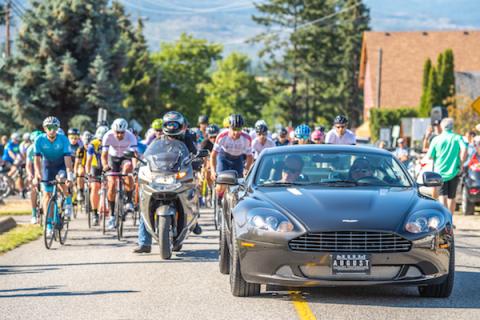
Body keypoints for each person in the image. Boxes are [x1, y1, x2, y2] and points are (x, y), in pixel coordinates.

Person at [133, 111, 197, 253]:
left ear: (181, 125)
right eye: (169, 124)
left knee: (191, 192)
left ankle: (194, 218)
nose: (172, 127)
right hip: (161, 175)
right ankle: (144, 242)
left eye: (175, 124)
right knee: (145, 200)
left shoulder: (188, 138)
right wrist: (140, 165)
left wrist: (197, 161)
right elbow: (149, 156)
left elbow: (195, 154)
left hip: (179, 175)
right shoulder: (158, 141)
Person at [34, 117, 74, 236]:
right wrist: (37, 174)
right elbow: (36, 160)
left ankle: (68, 202)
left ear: (57, 128)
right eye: (49, 128)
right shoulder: (39, 140)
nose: (52, 130)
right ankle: (49, 225)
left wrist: (70, 177)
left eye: (54, 127)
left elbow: (68, 161)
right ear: (45, 129)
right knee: (46, 195)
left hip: (61, 164)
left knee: (62, 180)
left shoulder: (63, 139)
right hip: (47, 165)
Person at [101, 118, 138, 230]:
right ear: (113, 130)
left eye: (122, 132)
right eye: (117, 132)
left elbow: (135, 155)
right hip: (113, 158)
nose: (120, 135)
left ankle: (129, 201)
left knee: (128, 169)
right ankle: (112, 215)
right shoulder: (107, 136)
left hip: (126, 156)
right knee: (111, 185)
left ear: (125, 131)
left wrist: (135, 169)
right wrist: (105, 166)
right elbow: (104, 155)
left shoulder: (130, 136)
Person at [427, 118, 467, 214]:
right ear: (452, 127)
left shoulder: (436, 139)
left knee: (442, 196)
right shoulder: (457, 138)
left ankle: (445, 221)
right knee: (452, 196)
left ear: (441, 127)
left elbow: (430, 156)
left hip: (440, 171)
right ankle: (451, 220)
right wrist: (461, 163)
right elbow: (464, 149)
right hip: (454, 170)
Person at [210, 114, 253, 203]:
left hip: (238, 159)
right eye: (234, 129)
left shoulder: (247, 138)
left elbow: (250, 156)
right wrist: (213, 171)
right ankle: (219, 198)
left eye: (239, 129)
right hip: (224, 158)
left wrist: (247, 169)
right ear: (229, 127)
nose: (236, 132)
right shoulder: (222, 136)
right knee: (221, 183)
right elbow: (213, 155)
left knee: (239, 185)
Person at [85, 125, 108, 226]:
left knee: (111, 185)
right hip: (96, 167)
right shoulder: (92, 145)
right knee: (95, 187)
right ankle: (95, 213)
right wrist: (88, 173)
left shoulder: (111, 142)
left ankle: (114, 211)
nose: (102, 141)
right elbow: (88, 161)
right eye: (100, 139)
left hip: (108, 166)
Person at [25, 130, 42, 224]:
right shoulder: (30, 149)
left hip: (44, 169)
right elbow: (28, 165)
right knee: (33, 189)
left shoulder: (44, 148)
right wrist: (29, 174)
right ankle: (34, 214)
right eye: (34, 141)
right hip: (35, 170)